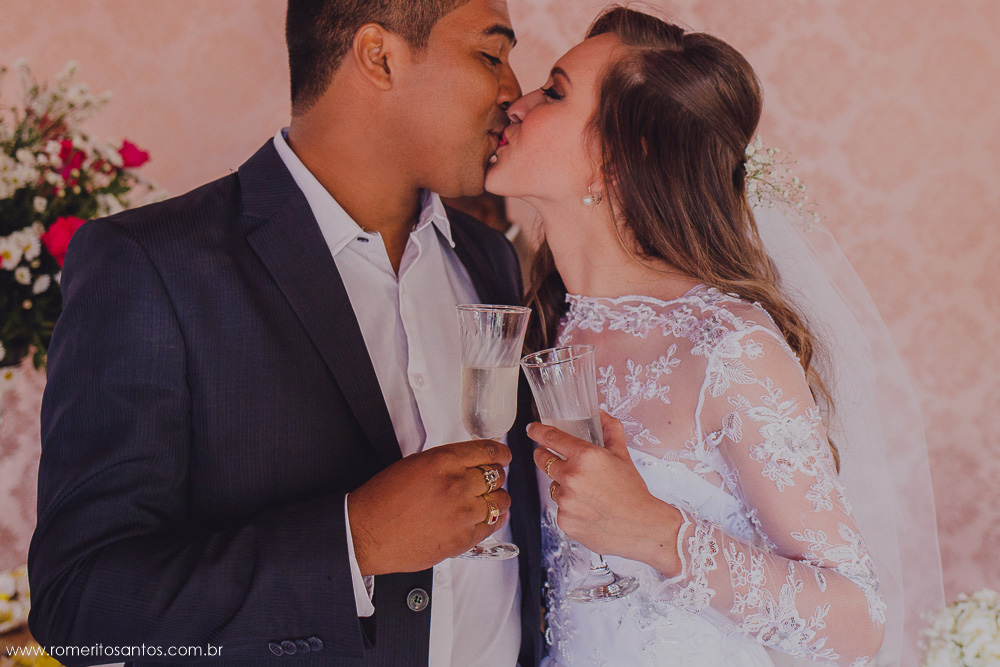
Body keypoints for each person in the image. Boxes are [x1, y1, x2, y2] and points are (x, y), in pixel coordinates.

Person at [28, 1, 543, 665]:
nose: (513, 89)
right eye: (491, 55)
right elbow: (80, 610)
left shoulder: (489, 257)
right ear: (378, 56)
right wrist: (355, 542)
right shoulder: (152, 265)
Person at [485, 6, 925, 665]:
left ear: (616, 158)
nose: (514, 105)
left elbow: (857, 622)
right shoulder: (552, 320)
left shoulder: (728, 347)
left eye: (553, 91)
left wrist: (657, 533)